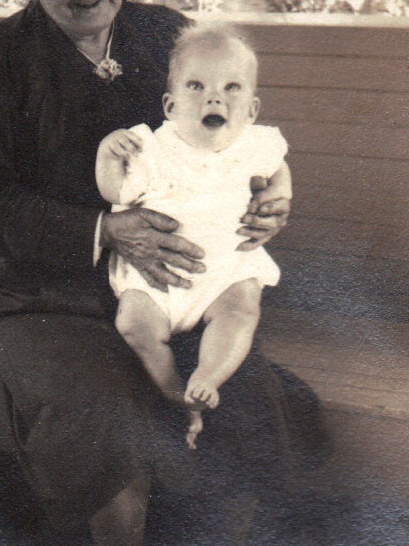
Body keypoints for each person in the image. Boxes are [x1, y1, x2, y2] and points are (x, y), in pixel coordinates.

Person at [0, 0, 326, 545]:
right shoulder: (0, 59)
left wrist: (270, 197)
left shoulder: (166, 35)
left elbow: (235, 139)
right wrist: (105, 228)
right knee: (103, 420)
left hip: (179, 288)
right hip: (51, 296)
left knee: (245, 403)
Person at [96, 22, 292, 451]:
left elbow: (278, 168)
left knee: (242, 309)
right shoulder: (151, 149)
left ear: (252, 110)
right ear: (170, 105)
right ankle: (173, 389)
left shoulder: (254, 144)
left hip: (225, 270)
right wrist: (108, 152)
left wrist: (281, 193)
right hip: (156, 277)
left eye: (231, 87)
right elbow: (115, 192)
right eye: (196, 86)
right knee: (132, 323)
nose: (214, 98)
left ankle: (208, 377)